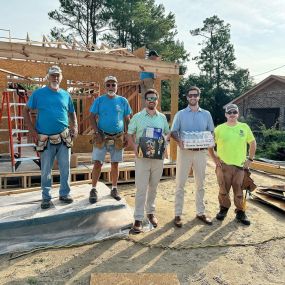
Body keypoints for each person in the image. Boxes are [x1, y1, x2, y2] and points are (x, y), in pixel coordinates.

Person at [23, 65, 78, 209]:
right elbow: (26, 110)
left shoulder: (66, 95)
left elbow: (72, 112)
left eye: (57, 75)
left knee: (65, 168)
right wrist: (32, 130)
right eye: (52, 75)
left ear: (61, 77)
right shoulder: (38, 94)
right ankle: (46, 197)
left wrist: (75, 126)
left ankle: (64, 194)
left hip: (64, 137)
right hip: (45, 138)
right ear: (48, 77)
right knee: (46, 169)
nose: (55, 77)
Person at [171, 86, 214, 227]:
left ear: (199, 97)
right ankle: (178, 215)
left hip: (201, 153)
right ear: (187, 97)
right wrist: (179, 141)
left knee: (200, 184)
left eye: (195, 95)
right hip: (185, 153)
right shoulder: (180, 114)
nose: (193, 97)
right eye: (190, 95)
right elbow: (173, 131)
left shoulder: (206, 114)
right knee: (180, 184)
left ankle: (200, 213)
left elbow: (211, 132)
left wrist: (208, 141)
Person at [127, 88, 170, 233]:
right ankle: (138, 218)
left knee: (154, 186)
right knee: (141, 188)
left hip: (157, 159)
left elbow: (167, 133)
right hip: (142, 158)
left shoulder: (162, 118)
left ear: (157, 101)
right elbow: (129, 133)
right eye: (149, 98)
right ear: (145, 101)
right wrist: (134, 147)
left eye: (154, 98)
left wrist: (165, 146)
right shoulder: (137, 117)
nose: (152, 101)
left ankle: (151, 213)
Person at [209, 104, 256, 225]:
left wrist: (250, 159)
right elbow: (210, 145)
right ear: (225, 114)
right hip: (223, 166)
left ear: (238, 114)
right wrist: (214, 158)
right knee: (223, 189)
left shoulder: (244, 127)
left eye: (234, 112)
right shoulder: (219, 129)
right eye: (229, 112)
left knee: (239, 191)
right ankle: (223, 209)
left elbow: (252, 143)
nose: (232, 115)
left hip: (240, 167)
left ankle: (240, 212)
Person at [89, 76, 132, 203]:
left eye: (113, 85)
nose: (111, 87)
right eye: (108, 85)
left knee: (115, 163)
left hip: (118, 136)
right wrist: (97, 132)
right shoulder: (99, 101)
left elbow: (127, 119)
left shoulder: (123, 101)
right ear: (105, 86)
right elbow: (92, 117)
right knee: (98, 163)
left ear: (117, 86)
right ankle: (93, 189)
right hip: (102, 136)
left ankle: (114, 188)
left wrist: (128, 136)